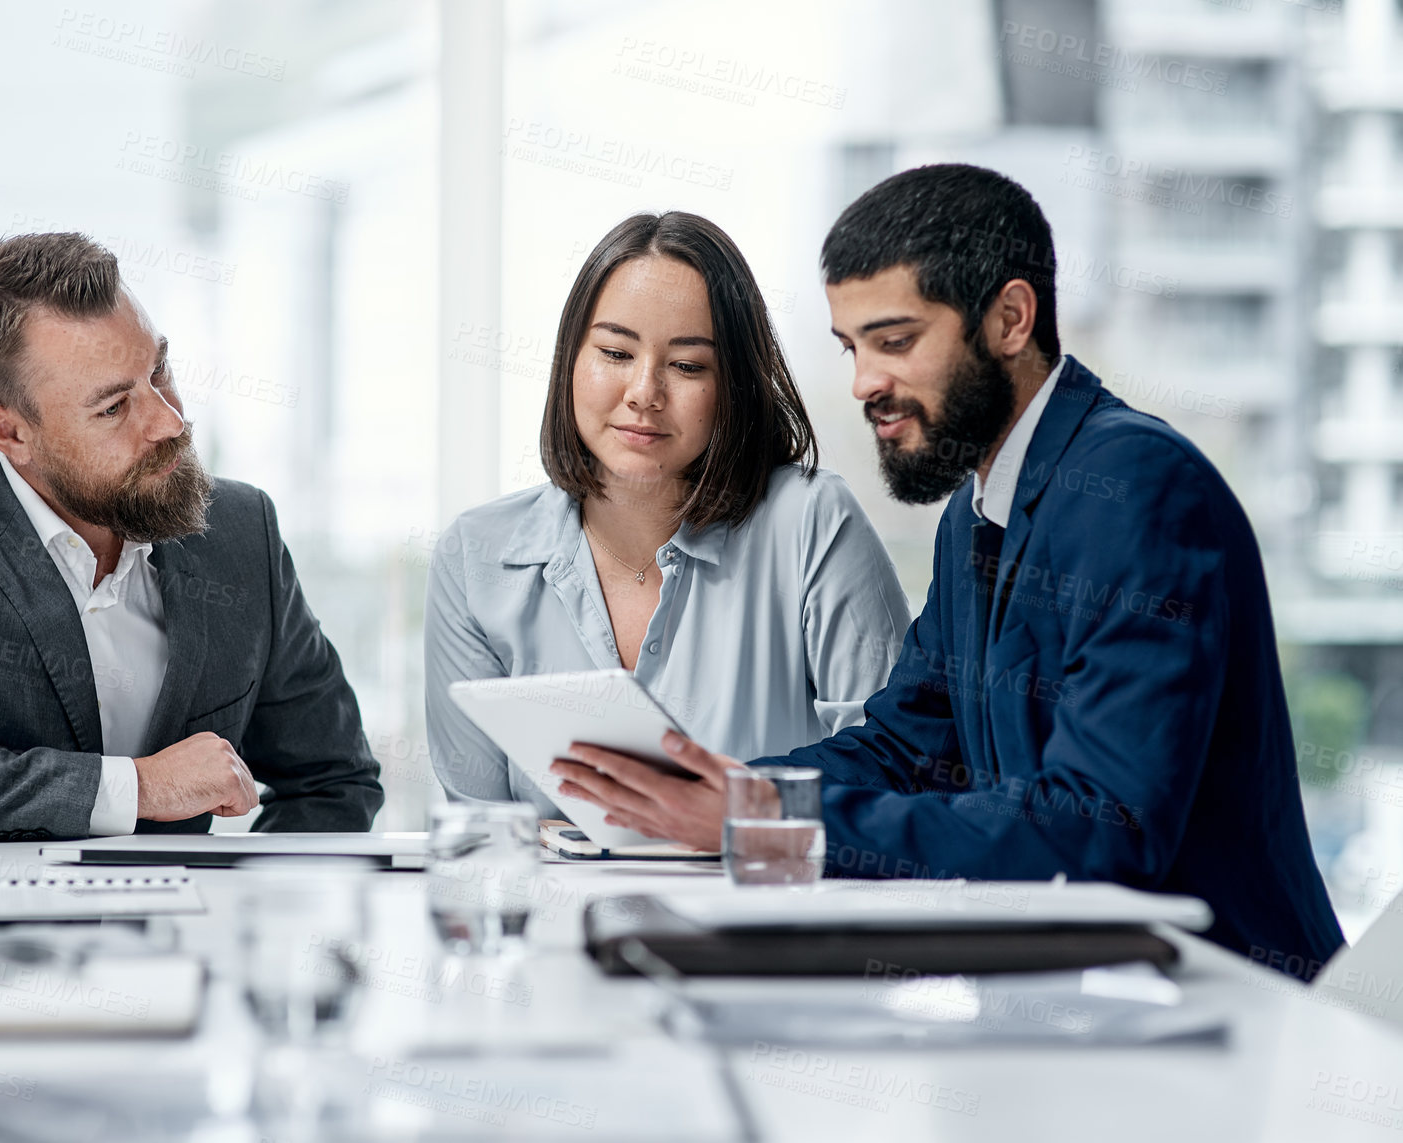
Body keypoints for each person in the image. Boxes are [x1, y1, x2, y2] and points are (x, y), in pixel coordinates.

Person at [550, 165, 1344, 979]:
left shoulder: (1134, 490)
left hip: (1227, 1007)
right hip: (1086, 997)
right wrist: (717, 792)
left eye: (894, 341)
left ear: (1008, 318)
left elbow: (1097, 829)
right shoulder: (975, 510)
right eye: (851, 347)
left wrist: (756, 818)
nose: (864, 383)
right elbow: (904, 747)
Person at [0, 233, 382, 843]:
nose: (169, 422)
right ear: (9, 432)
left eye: (159, 371)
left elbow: (334, 782)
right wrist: (138, 788)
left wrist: (244, 916)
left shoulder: (239, 529)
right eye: (114, 407)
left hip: (178, 936)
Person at [426, 211, 911, 820]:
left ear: (734, 384)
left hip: (761, 907)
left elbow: (895, 774)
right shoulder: (476, 554)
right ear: (570, 361)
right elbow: (479, 829)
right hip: (562, 914)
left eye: (687, 366)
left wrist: (736, 813)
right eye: (614, 352)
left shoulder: (812, 521)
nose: (643, 391)